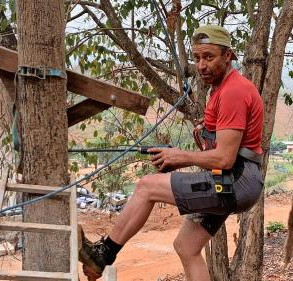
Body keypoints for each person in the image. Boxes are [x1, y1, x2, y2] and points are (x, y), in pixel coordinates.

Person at [78, 25, 264, 281]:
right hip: (236, 179)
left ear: (228, 56)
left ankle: (103, 254)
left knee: (147, 187)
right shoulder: (221, 90)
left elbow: (224, 158)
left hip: (236, 180)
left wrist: (181, 156)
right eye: (197, 58)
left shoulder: (233, 91)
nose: (201, 65)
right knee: (186, 247)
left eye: (209, 57)